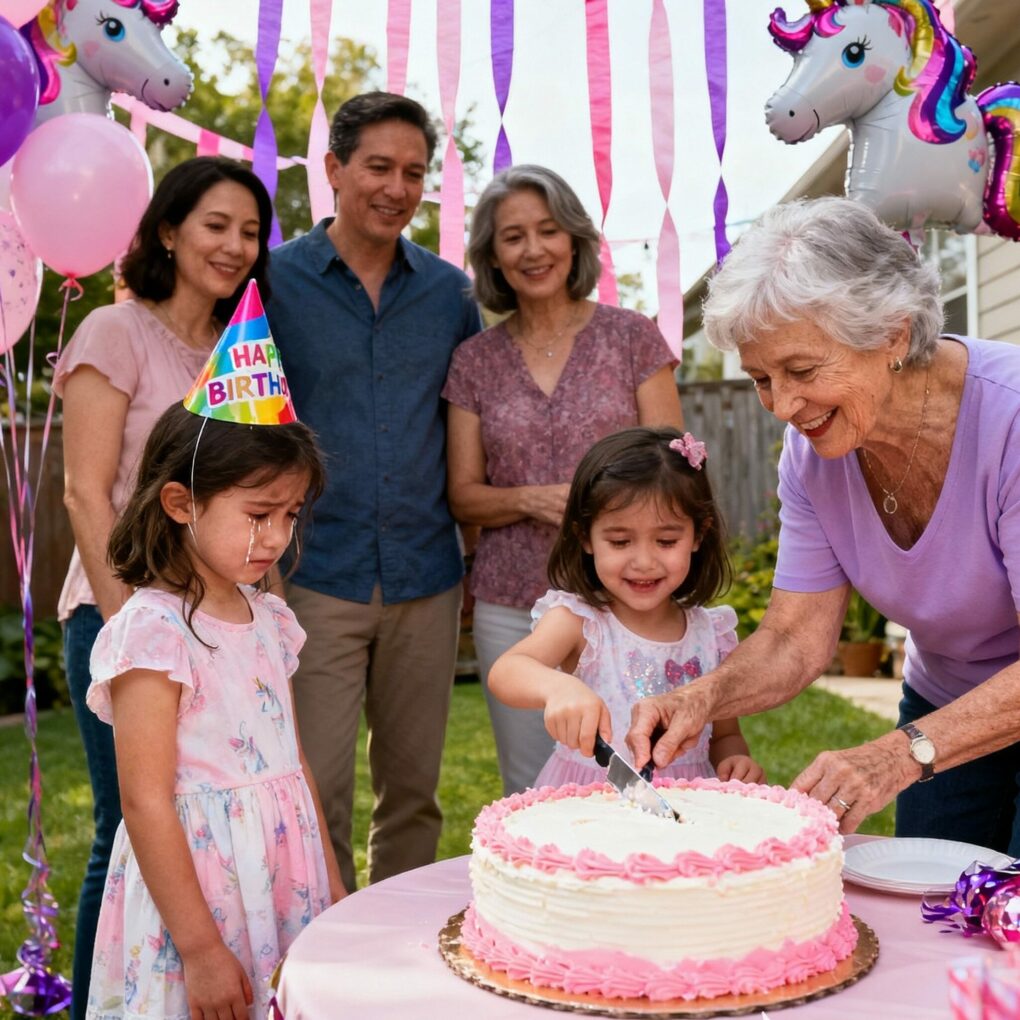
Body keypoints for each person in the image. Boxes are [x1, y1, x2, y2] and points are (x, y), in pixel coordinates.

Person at [627, 196, 1020, 856]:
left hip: (954, 724)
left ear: (892, 333)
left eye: (802, 371)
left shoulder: (1009, 419)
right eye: (760, 379)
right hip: (945, 701)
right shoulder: (813, 455)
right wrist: (703, 697)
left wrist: (896, 755)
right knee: (941, 927)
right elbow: (794, 637)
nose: (784, 406)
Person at [54, 155, 273, 1020]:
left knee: (210, 830)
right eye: (216, 224)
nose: (233, 245)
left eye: (250, 232)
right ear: (170, 229)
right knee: (127, 829)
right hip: (128, 627)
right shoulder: (115, 330)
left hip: (221, 631)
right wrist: (135, 631)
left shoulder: (237, 346)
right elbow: (84, 491)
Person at [265, 92, 482, 893]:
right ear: (333, 169)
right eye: (379, 167)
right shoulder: (275, 283)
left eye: (415, 173)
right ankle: (325, 961)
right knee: (313, 790)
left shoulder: (451, 295)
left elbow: (468, 428)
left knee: (413, 797)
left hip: (427, 576)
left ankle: (396, 959)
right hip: (313, 575)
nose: (397, 187)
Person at [83, 400, 344, 1020]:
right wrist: (200, 949)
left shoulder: (270, 619)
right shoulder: (152, 631)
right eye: (258, 514)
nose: (279, 536)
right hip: (203, 897)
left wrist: (331, 888)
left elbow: (294, 762)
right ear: (180, 504)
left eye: (290, 515)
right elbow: (145, 800)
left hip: (284, 874)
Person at [443, 165, 683, 795]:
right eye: (513, 236)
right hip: (512, 602)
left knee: (646, 773)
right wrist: (526, 499)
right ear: (492, 256)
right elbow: (462, 493)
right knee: (533, 786)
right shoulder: (474, 362)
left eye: (547, 230)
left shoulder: (632, 337)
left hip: (630, 597)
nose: (533, 249)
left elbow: (677, 466)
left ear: (574, 239)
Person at [487, 426, 763, 786]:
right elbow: (507, 671)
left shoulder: (712, 635)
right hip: (587, 807)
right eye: (620, 541)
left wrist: (736, 761)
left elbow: (724, 735)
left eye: (666, 541)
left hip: (687, 815)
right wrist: (558, 688)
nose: (644, 561)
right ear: (586, 537)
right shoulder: (579, 621)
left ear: (698, 535)